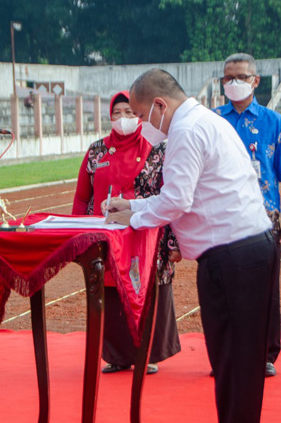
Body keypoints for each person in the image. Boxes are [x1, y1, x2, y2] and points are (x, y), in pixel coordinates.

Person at [105, 69, 276, 422]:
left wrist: (133, 219)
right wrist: (134, 206)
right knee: (234, 360)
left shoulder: (185, 130)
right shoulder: (206, 121)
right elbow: (184, 194)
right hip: (243, 251)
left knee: (235, 360)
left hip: (233, 257)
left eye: (139, 115)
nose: (139, 123)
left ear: (158, 105)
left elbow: (176, 201)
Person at [72, 90, 181, 375]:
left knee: (144, 289)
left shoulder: (156, 148)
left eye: (129, 113)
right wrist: (77, 234)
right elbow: (82, 197)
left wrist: (172, 240)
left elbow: (169, 196)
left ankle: (148, 353)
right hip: (105, 237)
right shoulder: (97, 151)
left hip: (146, 235)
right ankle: (117, 355)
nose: (123, 119)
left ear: (139, 115)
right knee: (109, 291)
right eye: (117, 113)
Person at [214, 53, 281, 377]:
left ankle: (264, 354)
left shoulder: (275, 123)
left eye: (241, 77)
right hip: (221, 220)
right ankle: (225, 354)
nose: (234, 83)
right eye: (228, 78)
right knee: (223, 290)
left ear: (256, 81)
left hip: (263, 220)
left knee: (264, 289)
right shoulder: (213, 122)